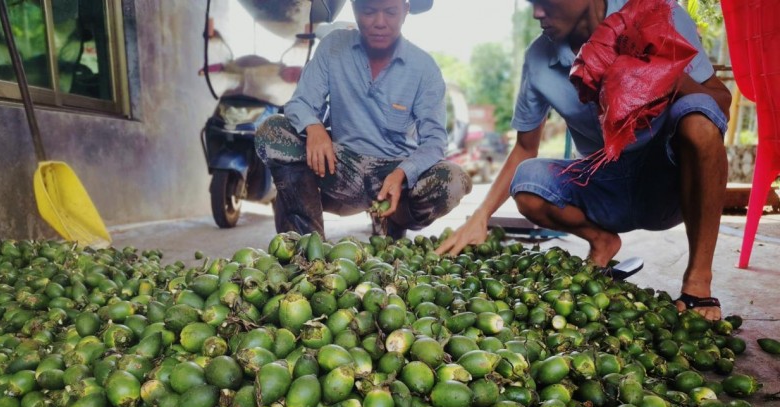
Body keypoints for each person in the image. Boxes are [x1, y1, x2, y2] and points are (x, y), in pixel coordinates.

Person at [435, 0, 731, 321]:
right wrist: (480, 217)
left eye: (545, 2)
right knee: (528, 179)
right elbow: (524, 148)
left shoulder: (656, 13)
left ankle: (698, 282)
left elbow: (719, 103)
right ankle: (602, 241)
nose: (537, 13)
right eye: (533, 3)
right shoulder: (538, 60)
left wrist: (665, 76)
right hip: (602, 186)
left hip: (668, 183)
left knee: (698, 118)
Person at [255, 0, 471, 240]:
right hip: (340, 167)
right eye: (369, 11)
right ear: (356, 10)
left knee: (453, 180)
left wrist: (402, 173)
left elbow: (435, 142)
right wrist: (314, 127)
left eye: (390, 12)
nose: (379, 23)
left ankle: (393, 217)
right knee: (273, 130)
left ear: (405, 11)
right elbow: (299, 102)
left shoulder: (424, 68)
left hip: (394, 175)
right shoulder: (334, 47)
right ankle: (305, 247)